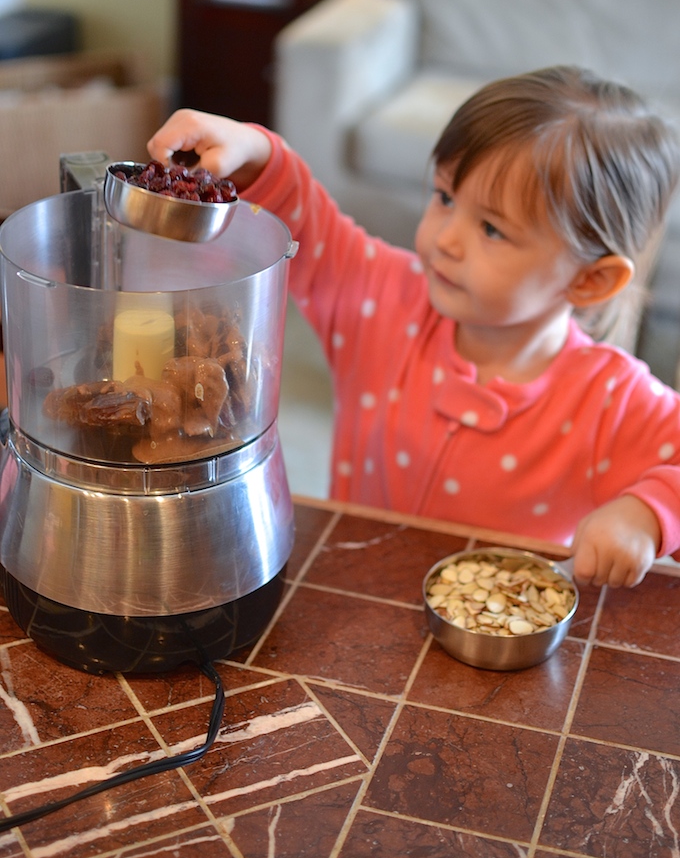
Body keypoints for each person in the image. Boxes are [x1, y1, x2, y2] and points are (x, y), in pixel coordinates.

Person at [147, 66, 680, 589]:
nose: (445, 239)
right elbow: (309, 220)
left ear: (591, 280)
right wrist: (253, 152)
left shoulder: (611, 400)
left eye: (492, 229)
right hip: (350, 601)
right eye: (445, 197)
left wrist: (647, 515)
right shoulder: (385, 299)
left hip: (505, 656)